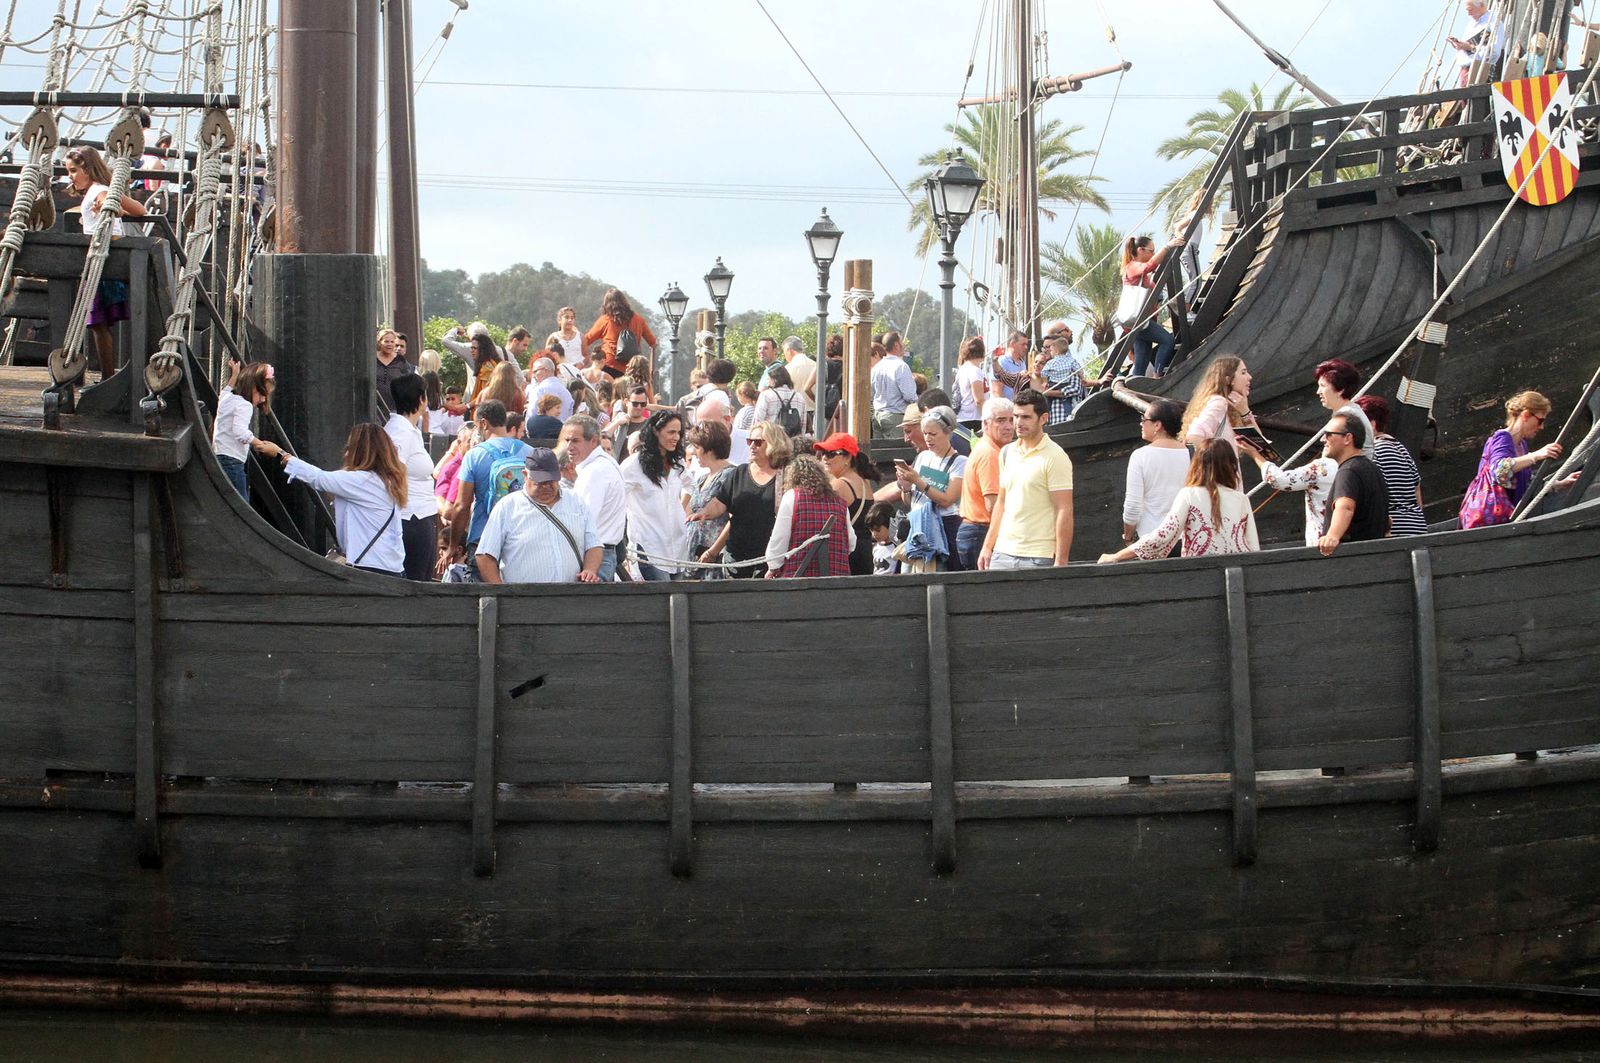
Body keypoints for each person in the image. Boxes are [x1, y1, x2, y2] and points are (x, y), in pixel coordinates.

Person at [253, 424, 406, 576]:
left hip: (370, 567)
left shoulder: (362, 481)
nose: (345, 454)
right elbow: (332, 488)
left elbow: (319, 478)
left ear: (359, 451)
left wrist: (280, 454)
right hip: (388, 565)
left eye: (349, 448)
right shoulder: (385, 481)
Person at [1099, 439, 1260, 562]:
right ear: (1231, 466)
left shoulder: (1189, 495)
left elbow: (1162, 536)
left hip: (1199, 573)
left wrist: (1117, 556)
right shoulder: (1241, 499)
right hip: (1238, 568)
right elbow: (1253, 547)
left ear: (1197, 464)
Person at [64, 145, 148, 379]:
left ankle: (107, 377)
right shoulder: (102, 189)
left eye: (73, 170)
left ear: (88, 170)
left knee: (98, 323)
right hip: (105, 262)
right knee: (99, 324)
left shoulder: (98, 191)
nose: (70, 176)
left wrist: (108, 205)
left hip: (101, 264)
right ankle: (107, 376)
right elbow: (140, 210)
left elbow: (108, 202)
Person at [475, 449, 603, 585]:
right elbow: (485, 555)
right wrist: (502, 593)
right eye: (540, 482)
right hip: (523, 599)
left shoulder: (576, 501)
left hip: (571, 597)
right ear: (525, 475)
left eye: (551, 481)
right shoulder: (507, 507)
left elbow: (594, 545)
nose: (546, 486)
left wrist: (590, 570)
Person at [978, 389, 1074, 569]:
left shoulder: (1056, 456)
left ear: (1043, 418)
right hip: (1002, 552)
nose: (1018, 423)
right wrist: (987, 546)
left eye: (1026, 417)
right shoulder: (1007, 452)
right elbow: (1001, 503)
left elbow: (1064, 509)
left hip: (1038, 555)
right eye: (1015, 417)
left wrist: (1061, 562)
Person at [692, 420, 792, 578]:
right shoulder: (739, 473)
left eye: (758, 442)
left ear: (774, 444)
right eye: (749, 441)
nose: (752, 446)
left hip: (768, 559)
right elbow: (720, 503)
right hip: (735, 558)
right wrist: (704, 512)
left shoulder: (786, 476)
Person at [1459, 390, 1570, 529]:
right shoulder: (1502, 438)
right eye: (1540, 420)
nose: (1541, 427)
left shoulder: (1521, 444)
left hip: (1507, 523)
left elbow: (1525, 482)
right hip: (1495, 525)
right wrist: (1535, 455)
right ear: (1525, 415)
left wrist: (1559, 484)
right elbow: (1499, 471)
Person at [448, 399, 531, 561]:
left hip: (483, 536)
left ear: (484, 423)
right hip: (522, 535)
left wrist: (453, 545)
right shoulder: (530, 452)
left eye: (477, 425)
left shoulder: (474, 455)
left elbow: (461, 506)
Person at [619, 411, 690, 581]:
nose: (676, 437)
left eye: (679, 433)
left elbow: (692, 486)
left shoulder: (677, 463)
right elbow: (616, 499)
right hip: (649, 546)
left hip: (678, 547)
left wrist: (683, 509)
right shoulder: (633, 465)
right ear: (656, 431)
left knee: (679, 603)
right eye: (671, 432)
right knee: (660, 602)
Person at [896, 406, 968, 571]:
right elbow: (911, 501)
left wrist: (918, 481)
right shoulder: (922, 456)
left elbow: (947, 500)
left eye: (933, 434)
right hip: (917, 526)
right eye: (925, 433)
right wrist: (906, 487)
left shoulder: (960, 462)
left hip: (943, 528)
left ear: (948, 432)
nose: (928, 439)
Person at [557, 414, 627, 582]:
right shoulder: (603, 464)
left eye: (575, 441)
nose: (569, 447)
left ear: (594, 441)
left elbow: (581, 521)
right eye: (566, 441)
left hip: (595, 558)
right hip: (602, 554)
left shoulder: (594, 472)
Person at [384, 373, 440, 581]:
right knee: (417, 582)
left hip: (418, 515)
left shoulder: (407, 430)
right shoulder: (401, 433)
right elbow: (392, 472)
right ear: (421, 399)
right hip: (411, 517)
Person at [765, 455, 855, 578]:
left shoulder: (792, 497)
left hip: (798, 583)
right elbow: (851, 543)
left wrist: (773, 566)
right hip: (837, 582)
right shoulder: (840, 502)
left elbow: (779, 539)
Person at [1119, 398, 1191, 551]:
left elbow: (1133, 506)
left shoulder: (1140, 456)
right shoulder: (1191, 453)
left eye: (1144, 419)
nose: (1141, 423)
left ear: (1158, 425)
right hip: (1187, 539)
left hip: (1152, 540)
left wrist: (1128, 538)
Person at [1356, 395, 1429, 537]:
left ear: (1371, 424)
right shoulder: (1400, 448)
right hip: (1417, 526)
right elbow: (1417, 497)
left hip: (1392, 531)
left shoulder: (1373, 452)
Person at [956, 397, 1015, 570]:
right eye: (1001, 420)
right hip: (981, 531)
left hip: (976, 530)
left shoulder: (989, 449)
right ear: (985, 424)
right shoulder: (990, 454)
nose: (1008, 426)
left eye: (1011, 420)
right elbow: (993, 504)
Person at [1318, 412, 1389, 555]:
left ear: (1347, 438)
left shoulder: (1348, 471)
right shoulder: (1372, 468)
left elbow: (1345, 507)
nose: (1322, 439)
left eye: (1328, 434)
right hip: (1375, 556)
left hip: (1352, 558)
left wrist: (1332, 536)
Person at [1120, 234, 1185, 377]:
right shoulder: (1132, 267)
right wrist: (1168, 247)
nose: (1153, 254)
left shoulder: (1137, 271)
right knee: (1167, 340)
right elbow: (1149, 266)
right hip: (1139, 321)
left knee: (1141, 362)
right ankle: (1157, 376)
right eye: (1151, 251)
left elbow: (1150, 268)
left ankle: (1136, 386)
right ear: (1141, 250)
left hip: (1140, 322)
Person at [814, 431, 875, 576]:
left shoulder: (838, 485)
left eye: (831, 453)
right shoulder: (863, 481)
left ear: (847, 457)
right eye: (823, 453)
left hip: (847, 554)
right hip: (865, 552)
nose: (824, 458)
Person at [212, 358, 275, 499]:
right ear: (252, 387)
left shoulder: (227, 399)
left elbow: (225, 390)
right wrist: (259, 443)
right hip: (233, 462)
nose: (263, 399)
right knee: (241, 504)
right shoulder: (245, 406)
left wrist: (234, 375)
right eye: (262, 394)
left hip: (219, 456)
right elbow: (240, 431)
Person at [685, 419, 735, 578]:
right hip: (693, 559)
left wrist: (713, 551)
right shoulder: (701, 479)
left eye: (697, 447)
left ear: (710, 449)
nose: (693, 451)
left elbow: (734, 519)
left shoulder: (730, 476)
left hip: (713, 561)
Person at [1182, 356, 1257, 460]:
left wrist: (1245, 411)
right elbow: (1194, 435)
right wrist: (1218, 465)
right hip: (1222, 475)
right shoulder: (1219, 403)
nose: (1249, 377)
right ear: (1228, 380)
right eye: (1243, 373)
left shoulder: (1229, 407)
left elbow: (1258, 445)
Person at [584, 288, 658, 378]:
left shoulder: (606, 320)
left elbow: (587, 340)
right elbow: (653, 342)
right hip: (631, 368)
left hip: (608, 364)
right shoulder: (639, 320)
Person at [1037, 332, 1103, 425]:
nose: (1045, 350)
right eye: (1044, 347)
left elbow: (1075, 389)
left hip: (1063, 417)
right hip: (1051, 419)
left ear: (1056, 349)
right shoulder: (1046, 367)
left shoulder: (1069, 366)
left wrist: (1048, 391)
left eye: (1048, 347)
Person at [870, 331, 918, 436]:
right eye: (902, 342)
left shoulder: (877, 367)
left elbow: (871, 393)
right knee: (895, 451)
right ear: (896, 345)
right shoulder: (901, 366)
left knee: (879, 450)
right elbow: (909, 395)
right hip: (895, 417)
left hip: (877, 415)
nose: (904, 345)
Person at [1448, 0, 1503, 86]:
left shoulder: (1493, 22)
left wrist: (1470, 47)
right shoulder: (1471, 24)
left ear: (1481, 5)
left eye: (1470, 10)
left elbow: (1494, 54)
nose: (1468, 14)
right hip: (1465, 71)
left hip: (1480, 72)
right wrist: (1460, 46)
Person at [751, 363, 804, 433]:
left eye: (768, 379)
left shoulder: (766, 395)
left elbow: (757, 421)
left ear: (774, 380)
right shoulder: (799, 397)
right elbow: (803, 423)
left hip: (771, 439)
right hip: (792, 440)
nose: (768, 382)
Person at [953, 337, 987, 431]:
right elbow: (979, 400)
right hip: (973, 418)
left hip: (962, 417)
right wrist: (991, 414)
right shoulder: (975, 371)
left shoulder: (962, 369)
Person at [610, 385, 652, 459]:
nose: (639, 407)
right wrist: (617, 423)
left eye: (643, 404)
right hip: (618, 467)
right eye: (635, 404)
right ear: (626, 402)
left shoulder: (649, 425)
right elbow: (603, 436)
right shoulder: (618, 420)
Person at [988, 331, 1031, 400]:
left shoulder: (1022, 363)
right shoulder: (1002, 361)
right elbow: (996, 391)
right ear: (1012, 344)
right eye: (1023, 344)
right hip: (1002, 408)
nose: (1026, 347)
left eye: (1026, 344)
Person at [782, 336, 817, 416]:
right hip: (816, 413)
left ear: (789, 350)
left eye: (784, 352)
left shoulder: (787, 369)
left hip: (795, 414)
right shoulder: (816, 366)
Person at [865, 502, 901, 574]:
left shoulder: (898, 547)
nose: (874, 534)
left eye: (878, 529)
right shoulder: (874, 547)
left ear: (890, 525)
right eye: (871, 530)